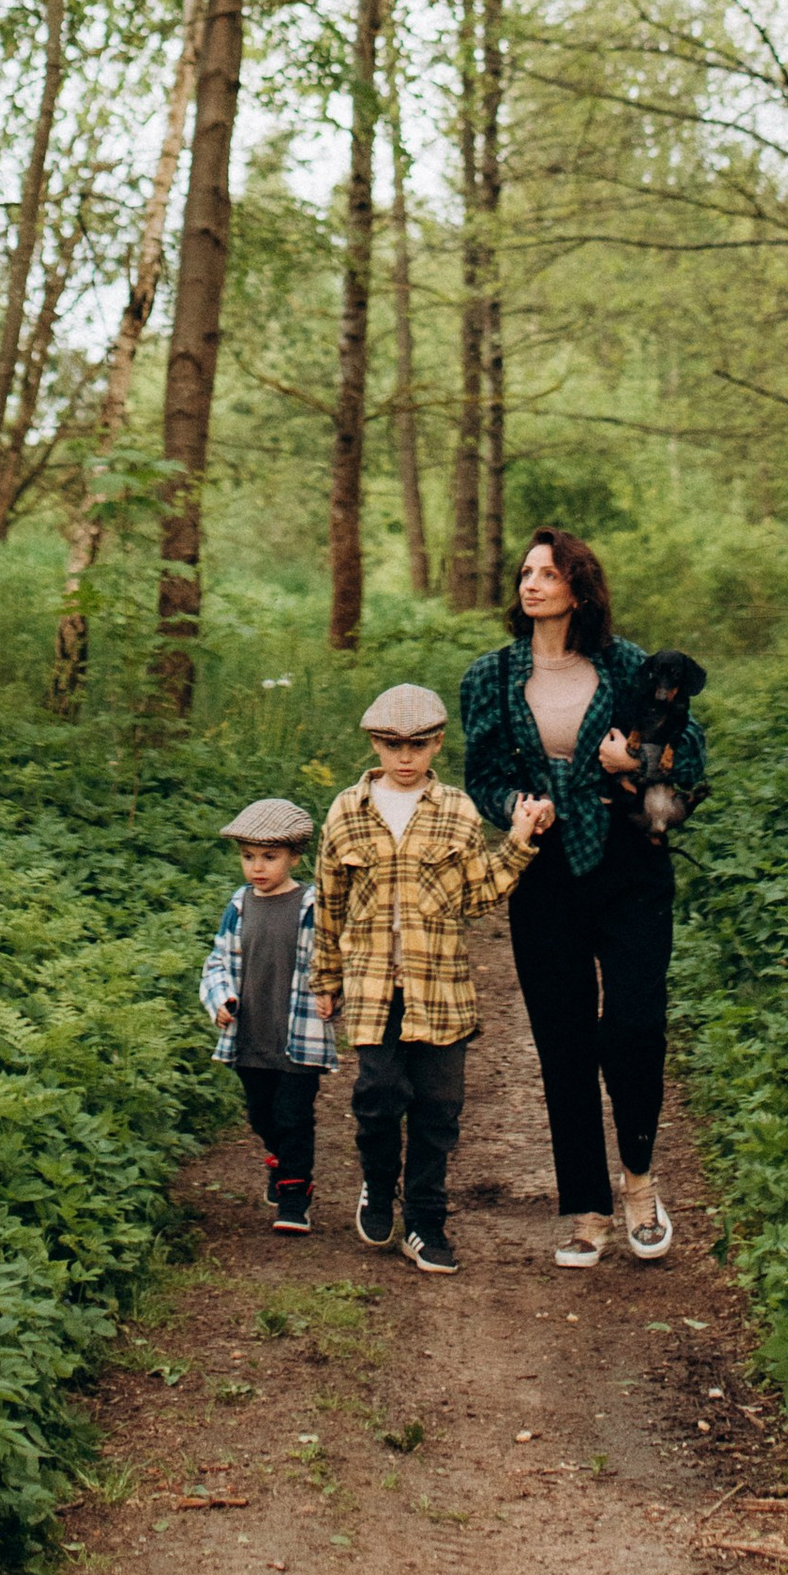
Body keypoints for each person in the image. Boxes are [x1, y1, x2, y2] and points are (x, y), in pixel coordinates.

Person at [459, 528, 708, 1268]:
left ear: (578, 586)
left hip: (631, 867)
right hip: (544, 874)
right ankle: (588, 1208)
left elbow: (689, 757)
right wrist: (515, 808)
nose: (531, 584)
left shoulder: (630, 665)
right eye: (525, 573)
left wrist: (634, 759)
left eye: (548, 573)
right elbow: (481, 775)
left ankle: (638, 1180)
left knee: (633, 1028)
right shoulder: (491, 675)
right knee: (562, 1041)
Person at [311, 682, 554, 1277]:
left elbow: (478, 894)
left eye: (417, 744)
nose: (404, 756)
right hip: (371, 986)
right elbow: (329, 901)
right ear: (373, 742)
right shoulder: (347, 810)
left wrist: (519, 842)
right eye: (391, 744)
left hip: (440, 988)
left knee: (439, 1107)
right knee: (377, 1096)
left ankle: (425, 1220)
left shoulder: (459, 811)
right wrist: (326, 977)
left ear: (437, 744)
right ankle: (376, 1184)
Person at [200, 796, 337, 1232]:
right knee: (262, 1114)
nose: (257, 867)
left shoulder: (311, 906)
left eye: (270, 857)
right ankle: (280, 1163)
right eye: (248, 857)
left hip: (300, 1033)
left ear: (295, 856)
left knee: (293, 1115)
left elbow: (333, 957)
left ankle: (295, 1197)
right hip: (251, 1036)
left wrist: (332, 989)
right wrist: (222, 1000)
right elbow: (217, 961)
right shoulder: (240, 905)